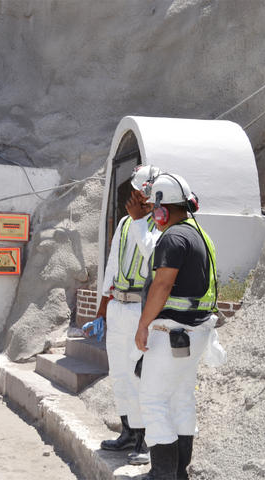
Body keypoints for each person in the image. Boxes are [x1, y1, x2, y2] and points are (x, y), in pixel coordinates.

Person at [134, 173, 220, 480]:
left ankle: (162, 473)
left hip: (171, 333)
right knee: (182, 398)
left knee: (153, 399)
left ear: (162, 210)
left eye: (154, 210)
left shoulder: (172, 238)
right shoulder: (200, 235)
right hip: (196, 333)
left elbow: (162, 285)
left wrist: (143, 325)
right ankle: (179, 472)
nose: (153, 216)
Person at [85, 164, 161, 465]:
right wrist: (102, 310)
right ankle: (128, 431)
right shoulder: (125, 223)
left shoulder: (158, 223)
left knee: (137, 375)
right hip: (118, 307)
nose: (135, 198)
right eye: (134, 193)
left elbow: (152, 254)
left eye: (140, 193)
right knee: (118, 373)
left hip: (139, 309)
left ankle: (145, 439)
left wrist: (141, 221)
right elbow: (113, 267)